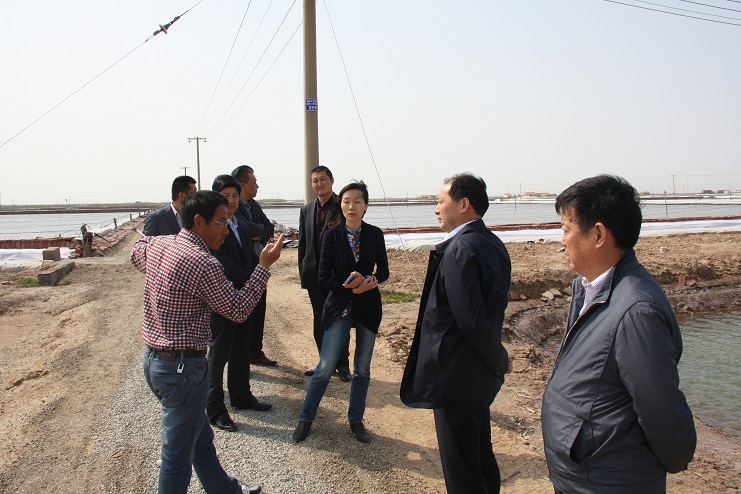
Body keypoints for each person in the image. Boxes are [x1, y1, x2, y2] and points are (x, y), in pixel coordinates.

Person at [541, 175, 696, 494]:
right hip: (582, 474)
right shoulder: (589, 288)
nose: (562, 241)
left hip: (608, 481)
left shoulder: (637, 311)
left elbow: (660, 409)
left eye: (566, 229)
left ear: (598, 235)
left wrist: (676, 457)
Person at [132, 190, 284, 494]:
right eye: (222, 222)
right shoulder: (203, 263)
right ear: (199, 221)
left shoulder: (159, 245)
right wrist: (264, 266)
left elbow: (136, 250)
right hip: (183, 372)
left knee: (199, 440)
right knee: (176, 457)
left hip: (154, 363)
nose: (226, 231)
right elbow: (238, 309)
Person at [400, 173, 512, 494]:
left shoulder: (461, 248)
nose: (436, 209)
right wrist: (496, 361)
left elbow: (471, 320)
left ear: (464, 205)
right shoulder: (492, 242)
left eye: (441, 201)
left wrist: (499, 359)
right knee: (480, 456)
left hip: (456, 377)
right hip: (479, 375)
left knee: (462, 468)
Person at [293, 181, 389, 444]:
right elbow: (323, 277)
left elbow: (383, 271)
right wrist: (350, 288)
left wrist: (372, 281)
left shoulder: (375, 234)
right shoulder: (331, 236)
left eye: (357, 201)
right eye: (346, 201)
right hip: (340, 306)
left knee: (362, 369)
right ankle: (305, 419)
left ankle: (356, 421)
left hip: (368, 306)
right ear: (341, 205)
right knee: (325, 367)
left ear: (366, 205)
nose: (351, 206)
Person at [207, 175, 272, 434]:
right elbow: (225, 264)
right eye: (226, 196)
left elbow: (250, 257)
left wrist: (253, 280)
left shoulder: (241, 224)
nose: (232, 201)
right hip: (222, 298)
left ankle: (241, 395)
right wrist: (254, 279)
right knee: (219, 354)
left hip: (245, 297)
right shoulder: (213, 228)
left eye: (235, 196)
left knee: (242, 349)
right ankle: (214, 407)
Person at [298, 166, 352, 382]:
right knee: (320, 320)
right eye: (315, 180)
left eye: (323, 179)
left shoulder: (342, 206)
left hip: (337, 274)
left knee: (340, 317)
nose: (319, 184)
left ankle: (343, 364)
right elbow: (303, 244)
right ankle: (324, 363)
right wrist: (303, 271)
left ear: (331, 180)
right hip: (314, 274)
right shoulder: (306, 210)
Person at [232, 165, 277, 367]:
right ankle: (241, 355)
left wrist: (257, 234)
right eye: (254, 182)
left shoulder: (254, 206)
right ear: (243, 185)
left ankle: (255, 352)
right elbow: (244, 229)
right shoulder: (233, 207)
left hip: (259, 266)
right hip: (242, 267)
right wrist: (255, 231)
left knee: (259, 311)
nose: (257, 186)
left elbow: (268, 227)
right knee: (243, 314)